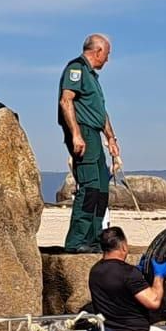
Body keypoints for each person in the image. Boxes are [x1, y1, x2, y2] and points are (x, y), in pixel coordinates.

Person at [57, 34, 122, 253]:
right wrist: (75, 134)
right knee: (89, 187)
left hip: (95, 133)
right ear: (98, 51)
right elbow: (66, 101)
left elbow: (100, 112)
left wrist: (111, 139)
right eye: (107, 54)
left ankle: (95, 239)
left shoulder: (93, 77)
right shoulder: (76, 69)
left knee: (102, 188)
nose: (107, 60)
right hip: (83, 131)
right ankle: (76, 241)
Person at [87, 226, 166, 331]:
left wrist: (138, 272)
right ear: (124, 247)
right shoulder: (129, 273)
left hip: (106, 329)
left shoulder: (95, 270)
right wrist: (159, 276)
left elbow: (117, 283)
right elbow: (153, 302)